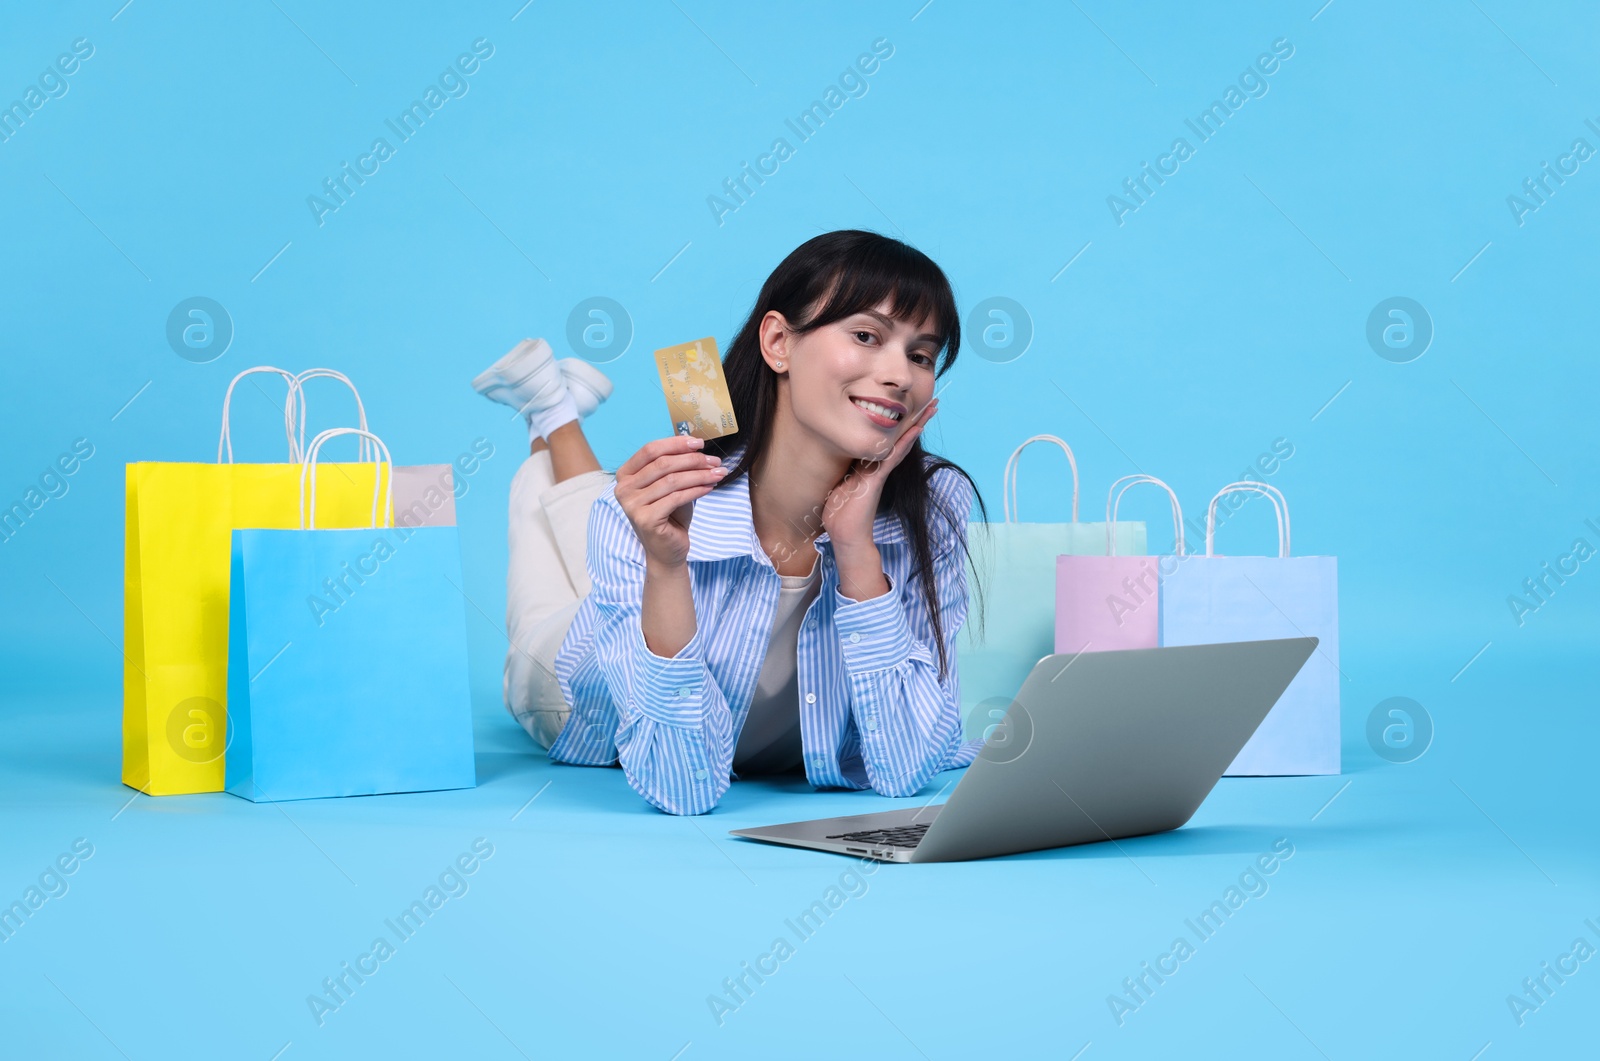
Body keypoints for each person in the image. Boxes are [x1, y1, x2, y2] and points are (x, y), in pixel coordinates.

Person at [474, 230, 987, 816]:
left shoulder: (935, 504)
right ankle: (550, 418)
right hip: (573, 688)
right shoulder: (654, 509)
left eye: (921, 355)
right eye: (867, 335)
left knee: (611, 504)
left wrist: (854, 548)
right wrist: (665, 567)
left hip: (663, 535)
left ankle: (554, 411)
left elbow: (907, 769)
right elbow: (680, 789)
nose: (900, 375)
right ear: (777, 342)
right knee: (570, 523)